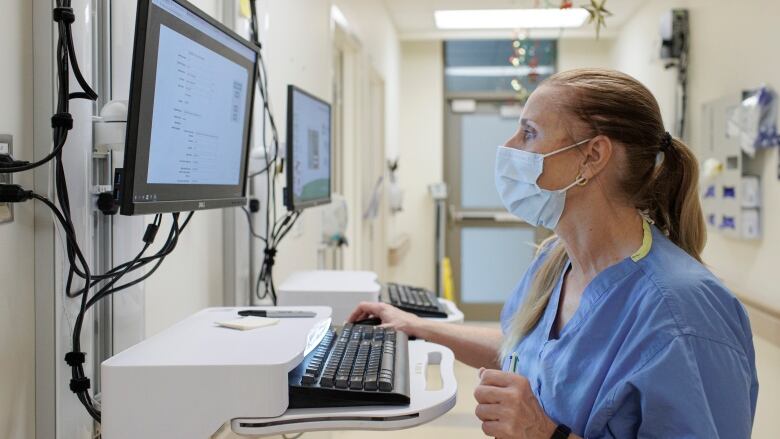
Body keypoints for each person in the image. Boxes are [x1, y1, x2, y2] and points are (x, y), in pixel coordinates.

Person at [348, 69, 758, 438]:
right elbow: (530, 353)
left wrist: (543, 432)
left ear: (592, 156)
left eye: (528, 133)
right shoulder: (556, 262)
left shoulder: (683, 313)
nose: (509, 147)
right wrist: (417, 326)